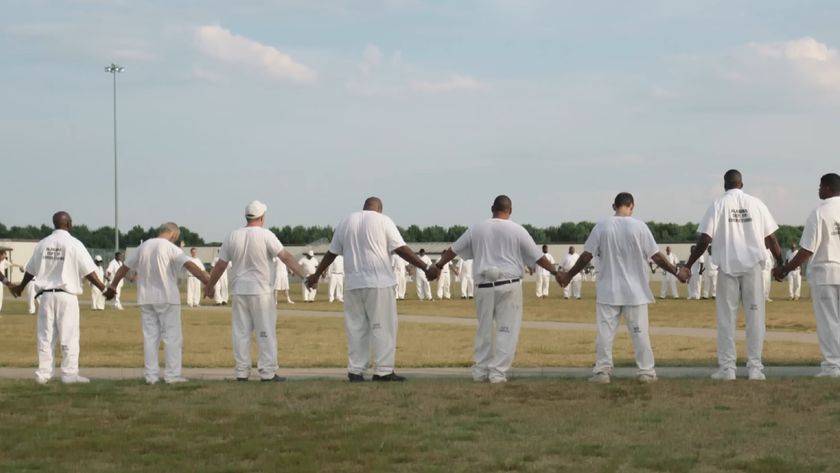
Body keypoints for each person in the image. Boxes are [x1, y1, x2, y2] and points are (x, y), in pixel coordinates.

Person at [558, 192, 686, 384]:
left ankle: (602, 371)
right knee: (640, 333)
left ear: (613, 206)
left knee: (605, 335)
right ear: (632, 206)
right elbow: (656, 256)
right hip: (635, 292)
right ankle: (646, 371)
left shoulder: (602, 226)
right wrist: (677, 271)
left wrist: (568, 275)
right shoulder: (640, 227)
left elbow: (586, 256)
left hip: (608, 290)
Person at [306, 197, 435, 382]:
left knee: (356, 327)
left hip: (353, 283)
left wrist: (316, 275)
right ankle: (383, 370)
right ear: (379, 209)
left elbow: (331, 252)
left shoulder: (346, 221)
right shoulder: (383, 221)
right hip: (378, 282)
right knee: (382, 326)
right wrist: (425, 267)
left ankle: (356, 370)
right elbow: (400, 248)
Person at [434, 195, 558, 384]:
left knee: (484, 330)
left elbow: (453, 249)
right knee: (506, 330)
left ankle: (480, 371)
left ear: (492, 208)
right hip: (509, 285)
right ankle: (497, 373)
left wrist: (438, 265)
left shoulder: (477, 228)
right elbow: (538, 256)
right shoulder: (517, 230)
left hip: (483, 285)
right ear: (510, 210)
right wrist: (556, 273)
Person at [681, 169, 782, 381]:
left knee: (726, 320)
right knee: (756, 318)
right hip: (753, 269)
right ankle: (755, 368)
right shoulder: (757, 204)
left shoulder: (718, 204)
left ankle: (728, 369)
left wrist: (689, 264)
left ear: (724, 185)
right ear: (741, 183)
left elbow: (705, 239)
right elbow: (771, 239)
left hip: (727, 268)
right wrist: (780, 264)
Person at [205, 200, 307, 382]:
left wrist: (210, 285)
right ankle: (267, 372)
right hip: (261, 290)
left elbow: (221, 264)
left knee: (241, 332)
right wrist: (305, 276)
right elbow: (285, 257)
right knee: (265, 331)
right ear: (262, 217)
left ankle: (241, 372)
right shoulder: (266, 235)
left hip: (239, 290)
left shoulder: (232, 235)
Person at [105, 222, 210, 384]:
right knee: (172, 337)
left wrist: (113, 285)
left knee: (150, 337)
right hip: (167, 297)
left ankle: (151, 376)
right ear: (174, 235)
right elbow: (189, 265)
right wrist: (207, 282)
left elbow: (124, 268)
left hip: (146, 298)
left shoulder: (144, 246)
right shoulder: (170, 248)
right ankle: (172, 375)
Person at [10, 211, 107, 384]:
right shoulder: (74, 244)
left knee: (45, 336)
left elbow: (30, 270)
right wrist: (103, 288)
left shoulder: (42, 244)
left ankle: (43, 374)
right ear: (69, 224)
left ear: (54, 224)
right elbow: (89, 271)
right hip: (67, 296)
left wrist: (19, 288)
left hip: (46, 296)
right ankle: (69, 374)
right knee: (69, 335)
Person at [774, 173, 840, 377]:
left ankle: (832, 366)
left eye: (821, 186)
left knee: (829, 321)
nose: (819, 190)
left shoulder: (820, 212)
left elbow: (807, 250)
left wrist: (785, 269)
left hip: (826, 272)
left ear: (828, 188)